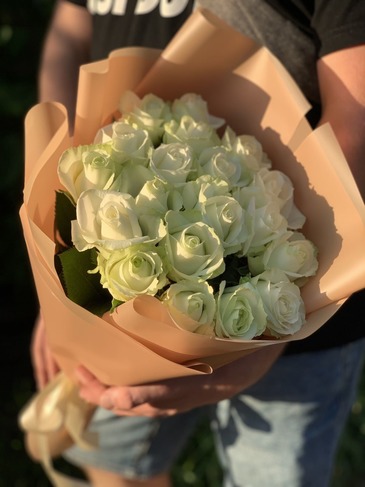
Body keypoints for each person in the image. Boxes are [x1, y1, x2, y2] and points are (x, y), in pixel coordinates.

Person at [32, 1, 365, 486]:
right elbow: (70, 28)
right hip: (110, 296)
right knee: (113, 464)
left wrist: (269, 336)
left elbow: (355, 125)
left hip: (301, 313)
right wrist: (58, 259)